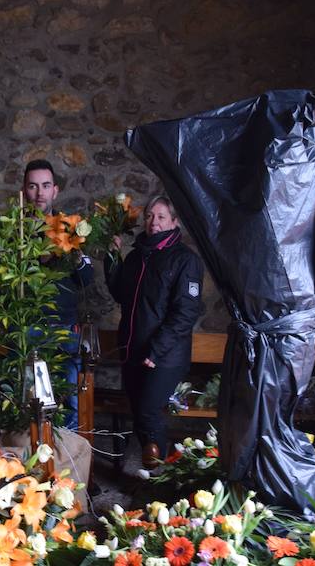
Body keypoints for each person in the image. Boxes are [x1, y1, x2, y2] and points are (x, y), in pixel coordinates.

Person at [104, 194, 204, 468]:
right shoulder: (137, 256)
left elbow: (185, 313)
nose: (153, 222)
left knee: (148, 412)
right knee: (139, 414)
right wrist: (112, 258)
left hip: (164, 356)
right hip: (133, 350)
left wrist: (157, 349)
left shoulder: (186, 261)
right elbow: (121, 294)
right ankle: (153, 475)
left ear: (173, 221)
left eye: (161, 217)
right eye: (149, 216)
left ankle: (159, 478)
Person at [22, 159, 93, 429]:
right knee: (29, 401)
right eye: (33, 186)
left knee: (69, 402)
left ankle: (67, 464)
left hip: (65, 328)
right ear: (24, 190)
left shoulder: (69, 229)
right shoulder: (13, 230)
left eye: (45, 185)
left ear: (55, 190)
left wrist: (73, 253)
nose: (39, 192)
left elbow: (87, 279)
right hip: (29, 327)